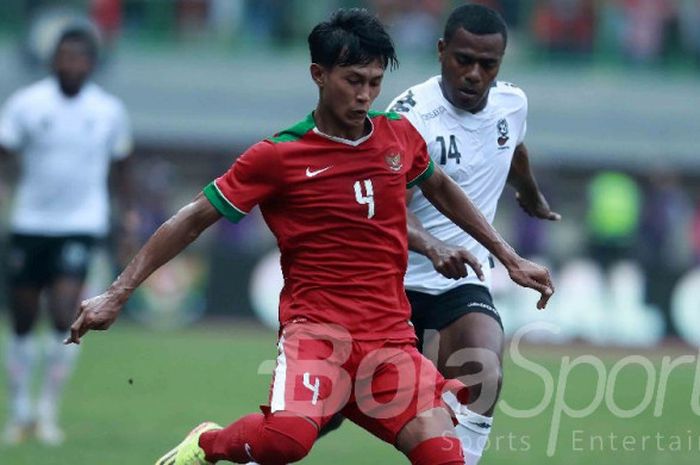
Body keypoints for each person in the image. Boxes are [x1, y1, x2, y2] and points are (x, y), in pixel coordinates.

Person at [66, 9, 553, 465]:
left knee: (445, 455)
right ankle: (207, 444)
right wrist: (117, 292)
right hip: (316, 336)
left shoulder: (397, 138)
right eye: (353, 81)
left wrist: (509, 258)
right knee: (286, 441)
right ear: (319, 74)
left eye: (375, 83)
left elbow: (444, 189)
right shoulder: (277, 156)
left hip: (389, 342)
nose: (364, 96)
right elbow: (191, 219)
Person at [387, 4, 560, 464]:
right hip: (393, 283)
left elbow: (514, 149)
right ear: (442, 51)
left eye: (488, 65)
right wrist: (432, 244)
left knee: (484, 373)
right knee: (335, 408)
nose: (474, 74)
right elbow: (389, 209)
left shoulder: (513, 103)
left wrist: (531, 195)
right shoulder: (410, 116)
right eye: (463, 59)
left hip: (459, 281)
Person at [0, 27, 134, 445]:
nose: (70, 64)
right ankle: (21, 408)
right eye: (64, 56)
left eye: (78, 58)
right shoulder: (26, 104)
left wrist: (123, 220)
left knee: (64, 314)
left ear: (91, 64)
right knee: (22, 320)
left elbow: (120, 167)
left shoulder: (108, 110)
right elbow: (5, 153)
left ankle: (47, 411)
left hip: (81, 224)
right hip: (29, 224)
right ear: (52, 60)